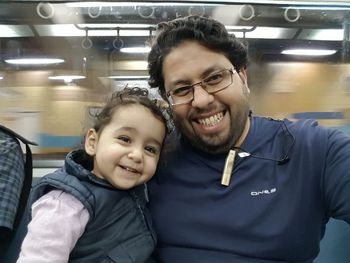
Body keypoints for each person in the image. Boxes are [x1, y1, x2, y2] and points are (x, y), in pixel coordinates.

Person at [146, 15, 350, 262]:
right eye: (181, 90)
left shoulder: (312, 150)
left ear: (243, 77)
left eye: (214, 78)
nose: (201, 100)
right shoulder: (150, 161)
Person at [17, 87, 168, 262]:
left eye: (150, 149)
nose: (137, 155)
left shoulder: (139, 192)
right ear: (93, 143)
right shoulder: (66, 203)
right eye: (125, 139)